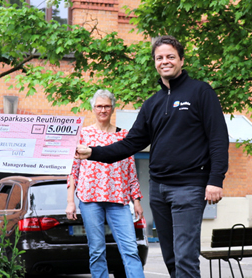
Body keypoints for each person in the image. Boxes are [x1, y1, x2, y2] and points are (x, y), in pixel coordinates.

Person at [76, 35, 229, 278]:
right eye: (159, 58)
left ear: (181, 59)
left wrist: (215, 179)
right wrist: (93, 152)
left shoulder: (201, 92)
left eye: (170, 56)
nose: (164, 61)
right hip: (158, 190)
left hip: (189, 187)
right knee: (170, 257)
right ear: (155, 62)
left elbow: (218, 138)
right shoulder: (152, 103)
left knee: (185, 257)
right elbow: (130, 144)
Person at [65, 89, 145, 278]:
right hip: (89, 199)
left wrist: (137, 199)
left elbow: (130, 170)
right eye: (99, 106)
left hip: (119, 199)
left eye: (107, 106)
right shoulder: (82, 135)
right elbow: (73, 170)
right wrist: (70, 201)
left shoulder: (123, 136)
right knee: (97, 250)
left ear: (113, 108)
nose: (103, 110)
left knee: (131, 249)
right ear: (93, 108)